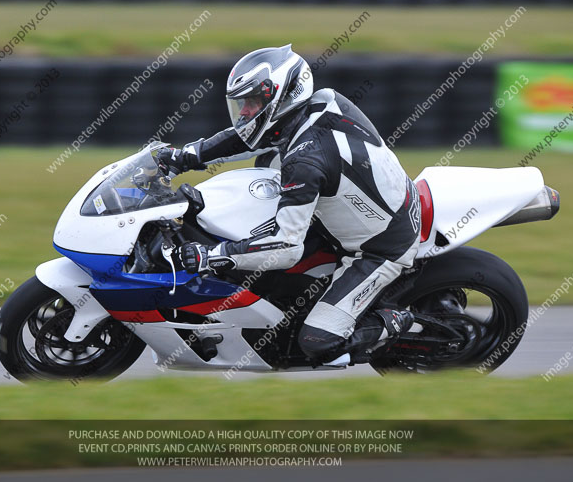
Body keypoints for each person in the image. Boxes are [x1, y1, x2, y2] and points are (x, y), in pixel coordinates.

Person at [158, 44, 421, 363]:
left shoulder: (305, 161)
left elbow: (286, 249)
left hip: (379, 248)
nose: (244, 112)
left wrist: (213, 255)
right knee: (266, 161)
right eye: (243, 104)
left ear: (282, 98)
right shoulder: (319, 103)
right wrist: (183, 157)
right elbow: (249, 135)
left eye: (252, 103)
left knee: (318, 343)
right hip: (356, 206)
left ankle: (396, 321)